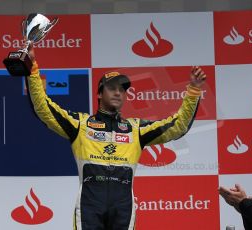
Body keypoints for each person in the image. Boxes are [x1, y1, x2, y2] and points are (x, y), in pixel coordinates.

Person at [26, 45, 206, 230]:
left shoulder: (135, 129)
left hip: (123, 207)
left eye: (122, 89)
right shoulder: (81, 124)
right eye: (112, 88)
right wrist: (32, 68)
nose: (118, 93)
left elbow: (178, 126)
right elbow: (44, 109)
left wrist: (193, 91)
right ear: (99, 93)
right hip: (90, 205)